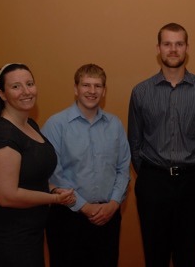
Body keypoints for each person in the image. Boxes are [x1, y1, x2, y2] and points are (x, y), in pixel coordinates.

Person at [128, 22, 195, 267]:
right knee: (154, 254)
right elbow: (134, 141)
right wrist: (149, 174)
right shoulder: (141, 92)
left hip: (193, 183)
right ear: (158, 48)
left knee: (188, 254)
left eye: (179, 44)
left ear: (187, 48)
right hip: (153, 183)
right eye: (167, 44)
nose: (173, 49)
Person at [0, 63, 75, 267]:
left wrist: (53, 187)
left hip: (30, 231)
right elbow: (6, 195)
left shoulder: (30, 125)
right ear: (2, 94)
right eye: (16, 86)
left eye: (30, 84)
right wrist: (54, 198)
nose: (26, 91)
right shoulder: (2, 134)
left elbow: (30, 176)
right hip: (5, 236)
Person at [41, 63, 130, 267]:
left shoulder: (115, 125)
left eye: (97, 86)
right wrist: (84, 207)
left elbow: (123, 168)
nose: (92, 91)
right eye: (86, 85)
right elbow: (53, 174)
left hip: (108, 217)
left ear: (104, 91)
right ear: (75, 89)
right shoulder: (56, 125)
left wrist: (114, 204)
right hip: (67, 218)